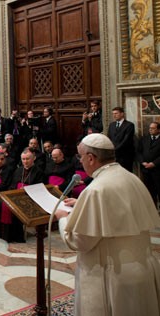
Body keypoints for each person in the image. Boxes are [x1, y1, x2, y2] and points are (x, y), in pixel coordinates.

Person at [55, 133, 160, 315]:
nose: (80, 161)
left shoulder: (96, 189)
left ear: (91, 158)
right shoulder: (131, 177)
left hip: (112, 277)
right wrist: (82, 203)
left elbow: (79, 242)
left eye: (81, 157)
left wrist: (62, 217)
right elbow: (117, 208)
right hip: (141, 269)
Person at [137, 122, 160, 206]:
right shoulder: (144, 138)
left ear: (158, 130)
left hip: (157, 170)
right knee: (149, 191)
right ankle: (152, 209)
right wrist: (142, 161)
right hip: (146, 170)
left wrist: (154, 163)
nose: (150, 129)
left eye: (153, 128)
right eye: (150, 128)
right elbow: (139, 152)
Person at [108, 106, 135, 172]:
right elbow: (109, 138)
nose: (114, 115)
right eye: (113, 114)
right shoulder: (112, 125)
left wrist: (115, 149)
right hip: (113, 156)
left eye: (116, 113)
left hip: (125, 156)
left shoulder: (129, 125)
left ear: (122, 114)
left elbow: (126, 140)